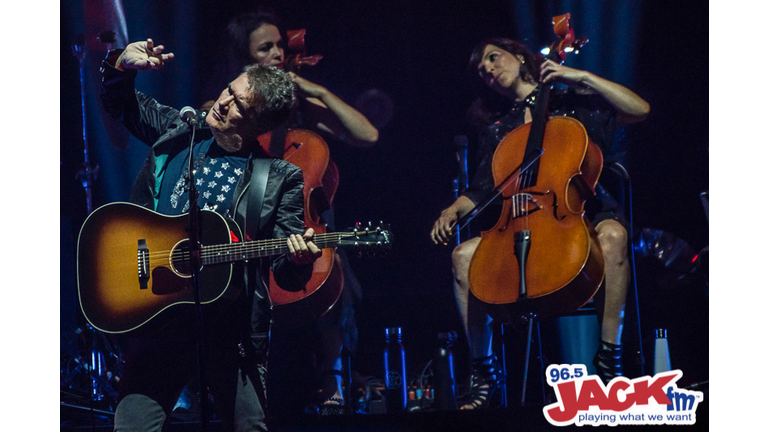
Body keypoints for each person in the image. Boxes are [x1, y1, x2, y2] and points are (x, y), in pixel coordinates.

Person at [100, 38, 322, 431]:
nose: (223, 102)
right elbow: (122, 105)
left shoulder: (278, 177)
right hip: (160, 316)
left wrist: (298, 260)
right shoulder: (180, 131)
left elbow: (286, 272)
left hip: (228, 329)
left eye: (239, 105)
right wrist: (122, 65)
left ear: (259, 124)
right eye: (229, 91)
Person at [430, 37, 650, 409]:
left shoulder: (572, 103)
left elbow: (639, 109)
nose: (489, 70)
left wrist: (578, 76)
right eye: (482, 71)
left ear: (520, 56)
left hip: (580, 211)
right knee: (462, 256)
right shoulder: (499, 129)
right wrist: (451, 210)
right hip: (518, 225)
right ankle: (484, 371)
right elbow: (482, 188)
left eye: (494, 58)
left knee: (614, 235)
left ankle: (609, 358)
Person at [220, 11, 379, 417]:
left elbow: (367, 134)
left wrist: (315, 90)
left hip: (301, 224)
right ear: (246, 58)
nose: (278, 53)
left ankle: (332, 376)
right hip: (245, 228)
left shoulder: (300, 108)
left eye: (280, 45)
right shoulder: (229, 106)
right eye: (266, 48)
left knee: (333, 268)